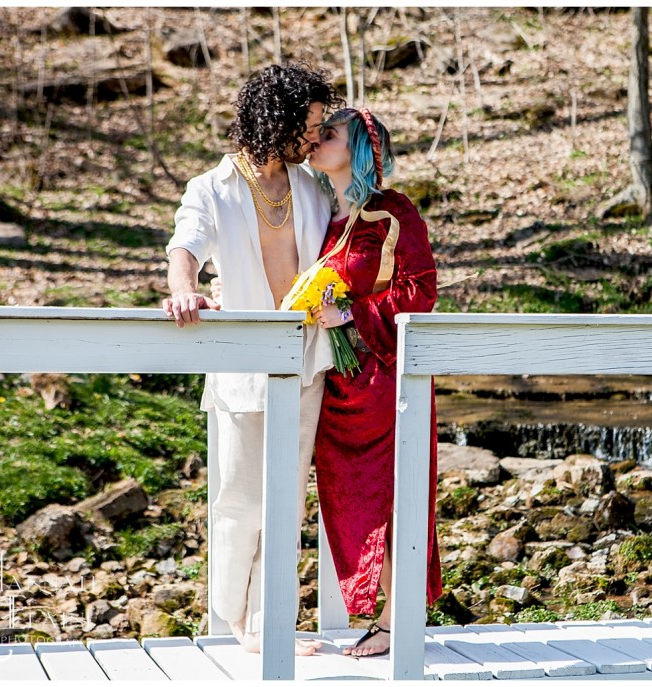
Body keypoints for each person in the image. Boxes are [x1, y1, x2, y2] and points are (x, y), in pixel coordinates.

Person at [161, 63, 342, 656]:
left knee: (287, 497)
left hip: (306, 357)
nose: (315, 137)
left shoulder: (312, 186)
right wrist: (186, 288)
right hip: (243, 368)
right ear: (279, 121)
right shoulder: (212, 189)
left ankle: (269, 624)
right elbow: (185, 245)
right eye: (310, 125)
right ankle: (232, 617)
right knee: (240, 500)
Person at [308, 108, 443, 657]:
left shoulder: (394, 212)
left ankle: (396, 618)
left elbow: (421, 292)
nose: (316, 140)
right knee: (348, 499)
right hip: (338, 388)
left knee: (393, 494)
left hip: (385, 382)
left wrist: (352, 315)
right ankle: (379, 610)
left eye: (330, 133)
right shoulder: (320, 217)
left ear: (360, 147)